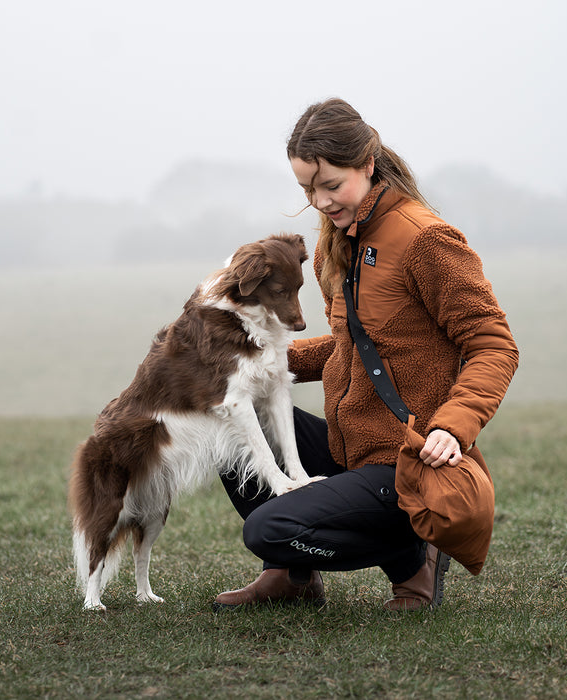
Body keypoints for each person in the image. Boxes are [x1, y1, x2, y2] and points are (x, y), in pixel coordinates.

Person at [213, 98, 519, 612]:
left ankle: (411, 556)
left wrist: (454, 425)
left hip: (406, 458)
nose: (320, 201)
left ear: (368, 165)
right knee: (233, 432)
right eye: (308, 189)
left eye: (331, 185)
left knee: (271, 528)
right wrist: (251, 357)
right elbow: (352, 347)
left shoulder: (427, 239)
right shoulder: (336, 243)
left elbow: (493, 343)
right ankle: (294, 578)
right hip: (347, 444)